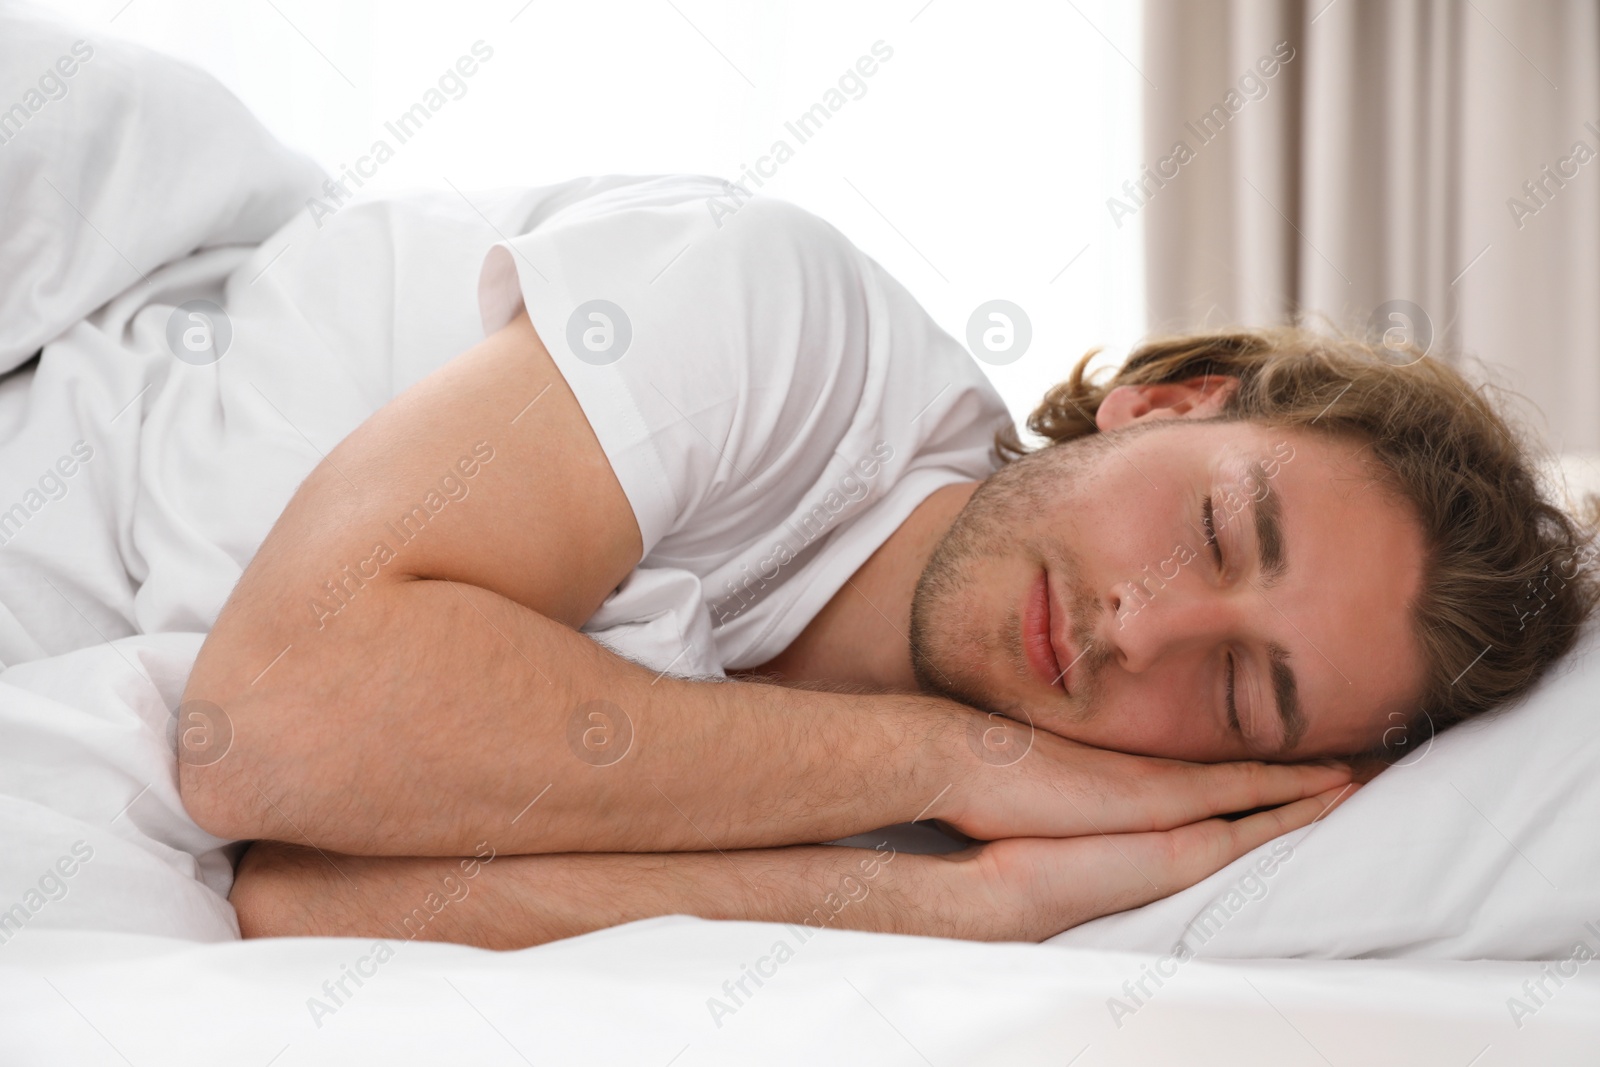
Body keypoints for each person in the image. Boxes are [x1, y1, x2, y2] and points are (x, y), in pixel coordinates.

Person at [176, 178, 1596, 947]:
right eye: (1214, 532)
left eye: (1240, 694)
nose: (1141, 628)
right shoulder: (775, 316)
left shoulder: (943, 846)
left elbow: (296, 895)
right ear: (1169, 399)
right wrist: (942, 763)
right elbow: (269, 730)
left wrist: (955, 901)